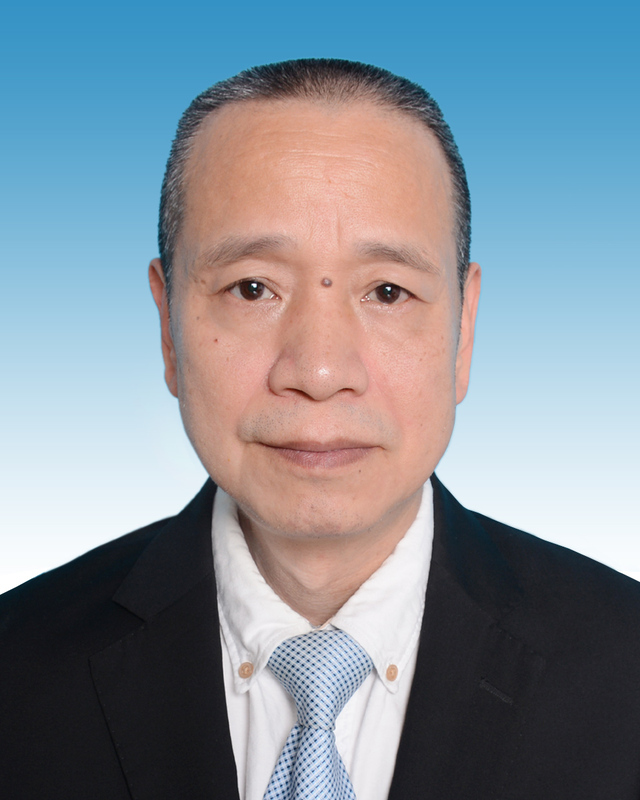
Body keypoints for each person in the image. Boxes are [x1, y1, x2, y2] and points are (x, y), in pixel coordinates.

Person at [1, 58, 640, 800]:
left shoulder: (625, 669)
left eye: (388, 292)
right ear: (168, 325)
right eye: (252, 288)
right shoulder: (18, 673)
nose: (320, 371)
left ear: (463, 331)